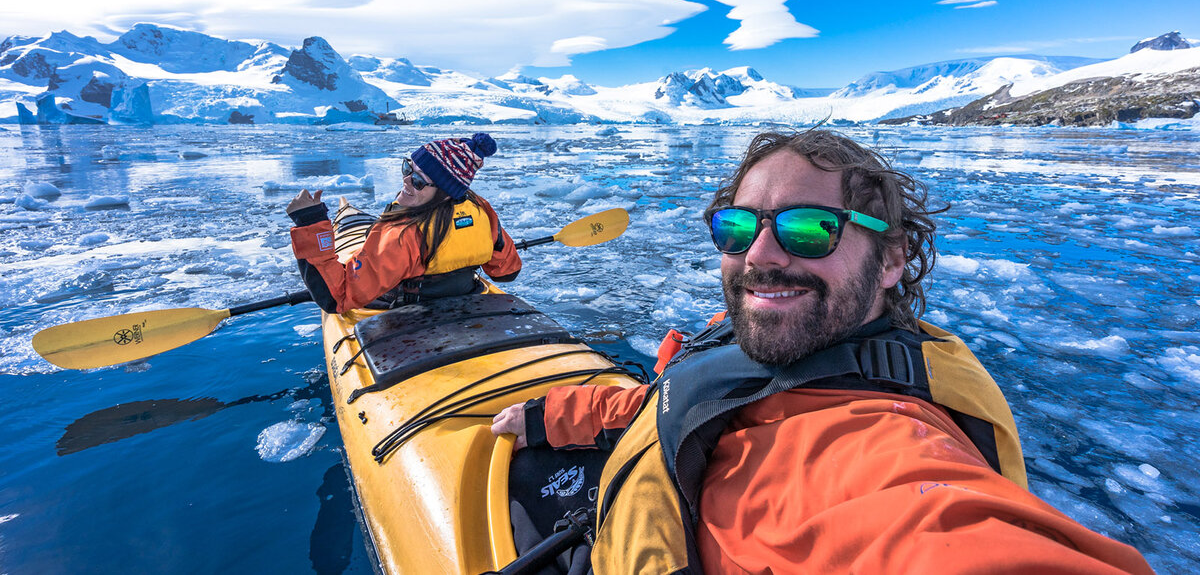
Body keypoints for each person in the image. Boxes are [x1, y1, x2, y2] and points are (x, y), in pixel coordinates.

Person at [491, 129, 1153, 574]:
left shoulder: (879, 447)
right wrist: (557, 415)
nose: (760, 256)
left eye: (810, 229)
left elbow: (934, 529)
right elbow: (678, 395)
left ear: (892, 257)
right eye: (738, 226)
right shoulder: (764, 334)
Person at [287, 132, 522, 314]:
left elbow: (337, 297)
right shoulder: (480, 209)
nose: (407, 180)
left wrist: (309, 223)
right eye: (408, 168)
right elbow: (507, 272)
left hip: (408, 318)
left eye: (419, 180)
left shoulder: (402, 234)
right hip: (468, 302)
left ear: (446, 192)